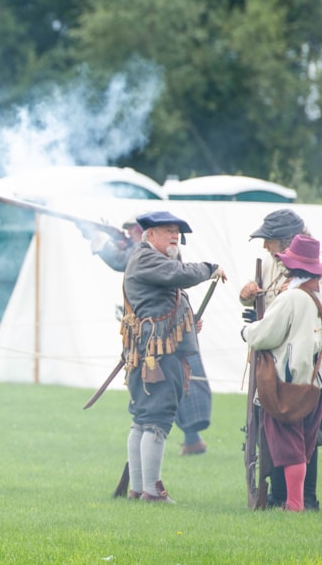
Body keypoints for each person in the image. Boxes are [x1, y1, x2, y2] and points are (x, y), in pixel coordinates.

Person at [85, 217, 212, 457]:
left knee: (170, 401)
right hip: (159, 341)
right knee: (154, 413)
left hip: (169, 338)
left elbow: (172, 286)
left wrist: (101, 243)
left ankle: (190, 440)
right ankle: (152, 485)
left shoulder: (154, 255)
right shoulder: (146, 255)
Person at [120, 211, 225, 502]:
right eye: (167, 231)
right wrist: (210, 268)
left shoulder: (153, 260)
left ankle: (139, 490)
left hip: (155, 350)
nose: (174, 236)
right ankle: (152, 492)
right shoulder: (147, 258)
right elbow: (179, 276)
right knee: (157, 418)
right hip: (157, 354)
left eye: (176, 232)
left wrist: (188, 319)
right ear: (149, 235)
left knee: (145, 419)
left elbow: (164, 300)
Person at [237, 209, 317, 509]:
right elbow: (264, 305)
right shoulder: (278, 268)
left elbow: (269, 327)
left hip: (294, 366)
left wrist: (247, 333)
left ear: (286, 242)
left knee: (296, 435)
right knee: (289, 434)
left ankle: (301, 499)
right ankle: (282, 496)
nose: (265, 247)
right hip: (281, 363)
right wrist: (248, 295)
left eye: (268, 240)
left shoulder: (301, 287)